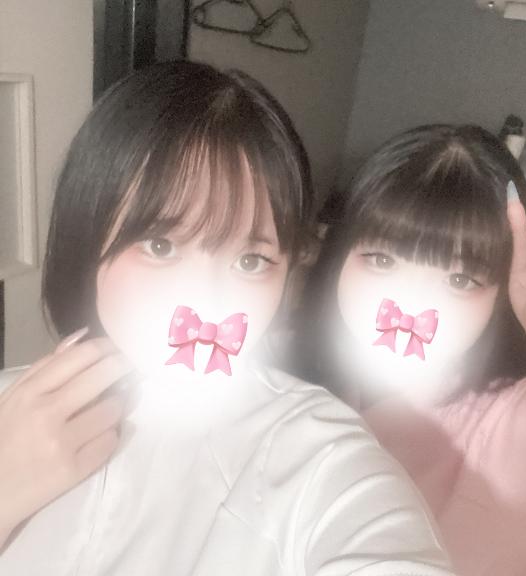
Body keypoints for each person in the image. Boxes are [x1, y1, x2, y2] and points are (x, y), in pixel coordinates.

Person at [0, 62, 455, 575]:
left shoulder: (318, 452)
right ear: (86, 235)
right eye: (161, 245)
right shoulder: (8, 406)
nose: (206, 300)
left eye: (250, 261)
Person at [293, 124, 526, 575]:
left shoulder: (520, 431)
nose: (411, 304)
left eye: (460, 279)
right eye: (383, 259)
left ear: (499, 297)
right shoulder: (279, 370)